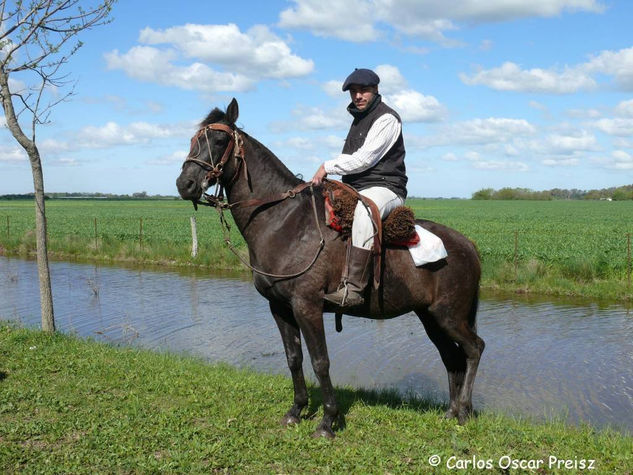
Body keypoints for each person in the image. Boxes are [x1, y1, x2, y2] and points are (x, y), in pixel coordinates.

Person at [312, 68, 408, 308]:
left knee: (364, 213)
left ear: (375, 90)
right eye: (354, 92)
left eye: (363, 91)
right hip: (357, 188)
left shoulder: (387, 119)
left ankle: (354, 288)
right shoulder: (358, 120)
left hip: (386, 188)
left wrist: (327, 166)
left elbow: (364, 159)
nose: (358, 96)